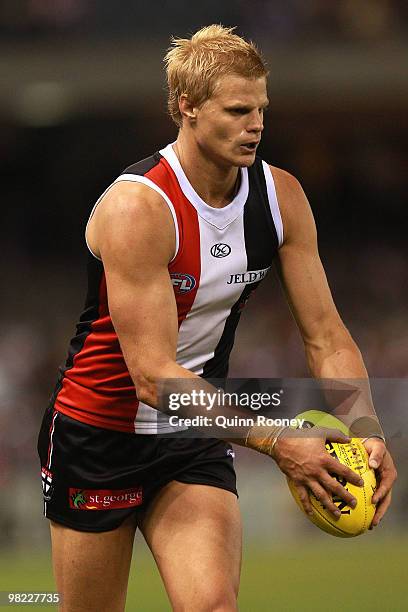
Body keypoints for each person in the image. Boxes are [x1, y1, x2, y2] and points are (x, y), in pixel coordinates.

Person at [37, 25, 397, 612]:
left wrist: (368, 431)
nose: (255, 124)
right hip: (99, 434)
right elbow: (152, 378)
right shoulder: (139, 207)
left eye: (261, 109)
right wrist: (280, 442)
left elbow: (327, 336)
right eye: (236, 110)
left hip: (195, 429)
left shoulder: (280, 197)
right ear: (187, 108)